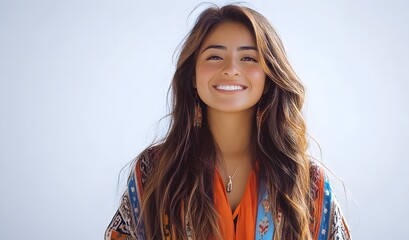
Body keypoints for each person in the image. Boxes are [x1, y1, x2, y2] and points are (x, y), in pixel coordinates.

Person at [105, 4, 351, 240]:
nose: (231, 69)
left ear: (268, 77)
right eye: (214, 56)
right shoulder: (155, 170)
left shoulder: (307, 181)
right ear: (192, 76)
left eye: (248, 58)